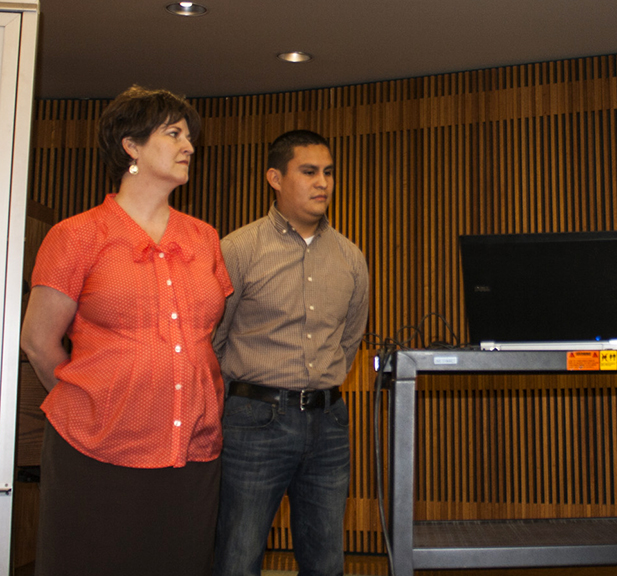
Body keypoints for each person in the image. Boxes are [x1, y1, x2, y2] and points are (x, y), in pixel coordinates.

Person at [20, 85, 232, 576]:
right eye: (174, 134)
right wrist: (93, 402)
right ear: (130, 146)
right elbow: (37, 340)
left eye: (190, 137)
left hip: (192, 453)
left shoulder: (204, 238)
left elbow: (205, 340)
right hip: (96, 453)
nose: (190, 147)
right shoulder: (76, 235)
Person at [212, 130, 369, 576]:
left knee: (326, 562)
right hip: (252, 422)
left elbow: (349, 340)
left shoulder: (351, 258)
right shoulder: (238, 249)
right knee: (237, 559)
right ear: (275, 178)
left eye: (329, 172)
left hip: (329, 424)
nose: (323, 182)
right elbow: (214, 339)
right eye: (309, 172)